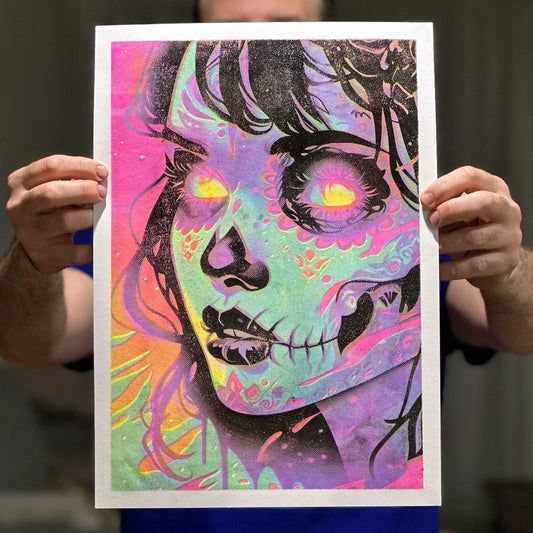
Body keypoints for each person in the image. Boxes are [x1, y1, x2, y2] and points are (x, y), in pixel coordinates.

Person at [1, 0, 532, 531]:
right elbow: (33, 341)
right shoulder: (122, 231)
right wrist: (31, 258)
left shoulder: (421, 222)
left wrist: (505, 272)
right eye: (201, 181)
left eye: (328, 190)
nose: (221, 258)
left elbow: (518, 328)